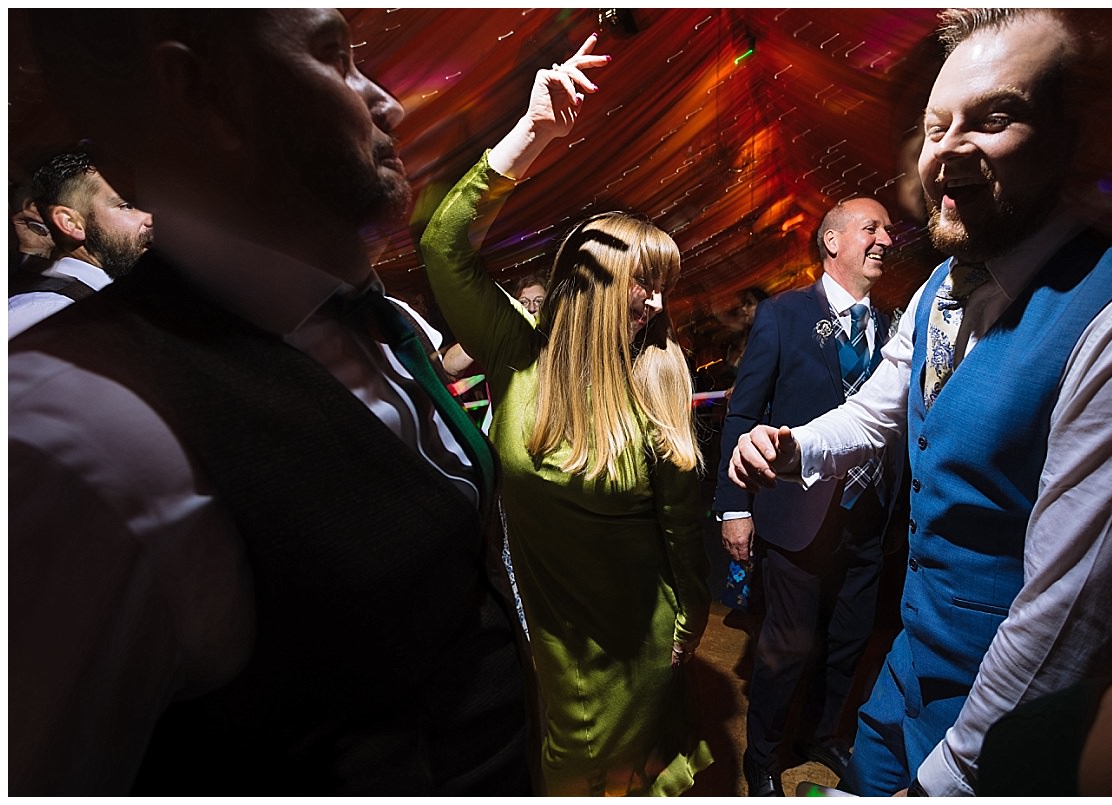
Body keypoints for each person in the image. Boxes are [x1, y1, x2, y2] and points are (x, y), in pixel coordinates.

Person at [10, 9, 532, 794]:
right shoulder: (78, 433)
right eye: (335, 56)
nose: (387, 102)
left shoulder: (364, 313)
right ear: (205, 92)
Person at [728, 8, 1112, 797]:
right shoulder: (939, 288)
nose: (947, 150)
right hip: (903, 682)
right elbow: (880, 410)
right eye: (937, 125)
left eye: (995, 116)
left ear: (1072, 135)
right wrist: (796, 445)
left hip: (1001, 738)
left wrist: (941, 783)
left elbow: (1070, 624)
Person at [420, 35, 713, 796]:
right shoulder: (518, 355)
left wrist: (687, 628)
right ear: (590, 285)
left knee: (597, 776)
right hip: (532, 627)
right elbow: (444, 247)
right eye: (641, 283)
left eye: (663, 286)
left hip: (627, 647)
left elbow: (684, 538)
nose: (655, 304)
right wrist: (532, 136)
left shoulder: (659, 378)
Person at [713, 199, 902, 795]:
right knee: (787, 646)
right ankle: (762, 758)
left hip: (870, 518)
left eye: (889, 231)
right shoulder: (784, 314)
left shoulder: (898, 325)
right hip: (797, 517)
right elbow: (743, 414)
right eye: (872, 228)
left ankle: (820, 734)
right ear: (832, 242)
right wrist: (735, 506)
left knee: (848, 639)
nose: (886, 240)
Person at [9, 151, 153, 337]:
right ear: (70, 223)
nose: (151, 218)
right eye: (128, 206)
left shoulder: (119, 294)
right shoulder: (46, 313)